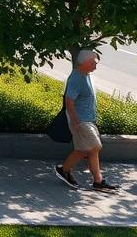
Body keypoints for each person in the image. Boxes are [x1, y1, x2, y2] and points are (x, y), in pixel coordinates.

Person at [54, 49, 117, 192]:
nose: (96, 66)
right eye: (94, 63)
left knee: (88, 150)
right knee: (93, 146)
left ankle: (98, 181)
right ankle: (63, 169)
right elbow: (69, 101)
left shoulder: (86, 75)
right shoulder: (77, 78)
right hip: (81, 121)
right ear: (84, 62)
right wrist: (75, 121)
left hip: (88, 120)